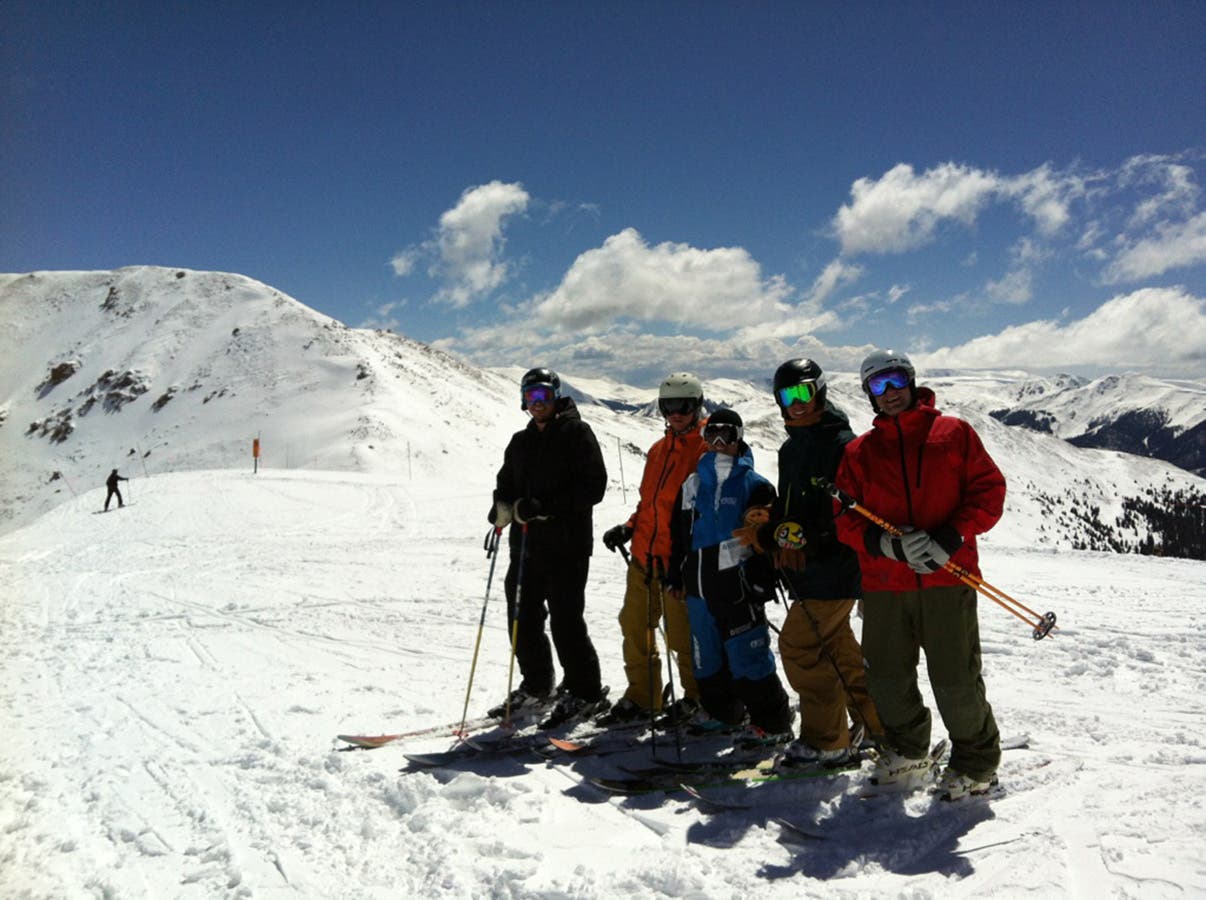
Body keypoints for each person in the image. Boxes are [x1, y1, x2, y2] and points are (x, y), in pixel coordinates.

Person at [835, 349, 1006, 799]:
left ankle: (976, 764)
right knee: (887, 676)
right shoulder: (859, 452)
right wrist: (885, 544)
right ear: (868, 394)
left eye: (894, 381)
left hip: (948, 578)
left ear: (910, 381)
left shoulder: (952, 434)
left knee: (955, 677)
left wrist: (949, 537)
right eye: (877, 386)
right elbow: (844, 518)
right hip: (885, 585)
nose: (889, 394)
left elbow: (989, 492)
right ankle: (908, 751)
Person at [740, 359, 883, 769]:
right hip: (811, 569)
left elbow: (844, 515)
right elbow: (796, 511)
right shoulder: (793, 446)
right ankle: (881, 730)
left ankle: (827, 742)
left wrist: (782, 537)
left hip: (833, 568)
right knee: (839, 652)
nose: (796, 403)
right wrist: (773, 520)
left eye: (804, 393)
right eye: (788, 396)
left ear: (819, 392)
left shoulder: (840, 444)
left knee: (800, 647)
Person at [488, 367, 611, 728]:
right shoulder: (520, 442)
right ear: (523, 401)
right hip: (525, 547)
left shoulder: (576, 434)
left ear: (556, 396)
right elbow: (505, 483)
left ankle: (585, 691)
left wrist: (543, 507)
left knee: (565, 620)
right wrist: (502, 507)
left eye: (543, 395)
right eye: (530, 396)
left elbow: (594, 486)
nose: (537, 403)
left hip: (567, 546)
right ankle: (538, 684)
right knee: (521, 618)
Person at [668, 408, 792, 746]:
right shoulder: (693, 483)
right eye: (713, 435)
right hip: (698, 583)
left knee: (746, 654)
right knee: (705, 654)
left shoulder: (755, 484)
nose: (720, 443)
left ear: (739, 438)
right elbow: (678, 534)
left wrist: (761, 578)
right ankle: (723, 714)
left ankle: (774, 722)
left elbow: (767, 538)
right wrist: (675, 575)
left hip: (736, 584)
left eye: (727, 435)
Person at [597, 372, 706, 727]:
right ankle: (644, 696)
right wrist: (630, 528)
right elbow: (650, 503)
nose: (676, 413)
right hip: (644, 555)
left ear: (697, 405)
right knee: (635, 626)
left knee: (683, 636)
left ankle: (697, 698)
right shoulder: (659, 450)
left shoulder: (706, 448)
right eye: (668, 406)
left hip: (679, 561)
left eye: (683, 406)